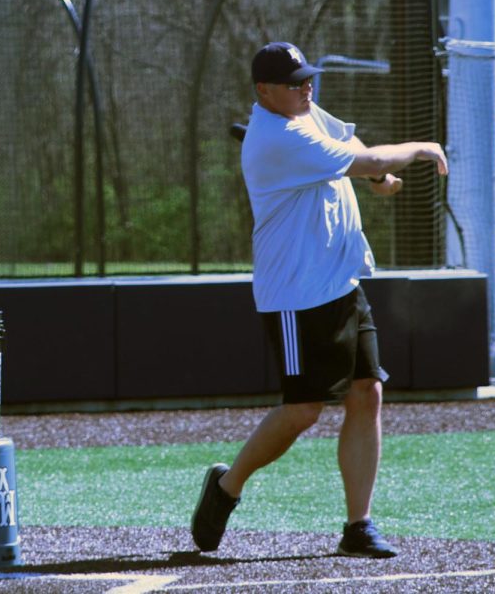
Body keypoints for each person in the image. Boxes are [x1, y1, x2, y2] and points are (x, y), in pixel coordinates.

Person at [190, 41, 447, 559]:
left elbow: (351, 148)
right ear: (263, 91)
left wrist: (376, 175)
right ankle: (226, 486)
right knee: (303, 409)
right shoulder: (278, 136)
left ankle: (358, 525)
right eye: (293, 82)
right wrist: (417, 150)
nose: (306, 87)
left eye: (308, 77)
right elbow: (366, 156)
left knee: (366, 393)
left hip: (343, 280)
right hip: (297, 294)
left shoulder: (306, 112)